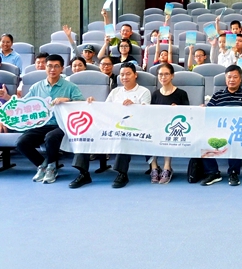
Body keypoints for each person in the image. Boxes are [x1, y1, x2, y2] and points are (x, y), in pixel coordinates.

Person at [0, 55, 83, 184]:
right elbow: (23, 106)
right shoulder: (36, 87)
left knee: (51, 137)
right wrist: (7, 97)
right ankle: (44, 165)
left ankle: (51, 168)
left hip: (61, 125)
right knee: (21, 143)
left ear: (62, 68)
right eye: (49, 66)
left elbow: (82, 105)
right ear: (45, 67)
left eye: (56, 66)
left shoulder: (71, 87)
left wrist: (68, 100)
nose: (52, 69)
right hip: (41, 125)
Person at [69, 62, 151, 189]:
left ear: (135, 75)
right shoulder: (115, 91)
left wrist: (135, 106)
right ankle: (83, 173)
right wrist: (94, 103)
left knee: (124, 135)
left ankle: (122, 174)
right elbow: (105, 110)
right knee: (85, 133)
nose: (124, 77)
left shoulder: (144, 92)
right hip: (111, 124)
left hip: (133, 127)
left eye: (128, 74)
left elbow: (146, 113)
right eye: (122, 75)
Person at [200, 65, 242, 186]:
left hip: (239, 129)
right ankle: (213, 173)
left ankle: (233, 172)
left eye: (235, 77)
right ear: (225, 79)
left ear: (240, 79)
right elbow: (208, 112)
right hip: (219, 128)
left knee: (235, 139)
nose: (232, 80)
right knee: (203, 139)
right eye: (229, 77)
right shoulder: (218, 95)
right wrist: (203, 108)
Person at [148, 63, 190, 184]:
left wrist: (178, 109)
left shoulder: (181, 93)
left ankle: (167, 167)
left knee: (167, 135)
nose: (163, 77)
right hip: (157, 126)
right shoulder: (155, 94)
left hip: (174, 128)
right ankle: (154, 167)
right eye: (160, 74)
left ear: (172, 76)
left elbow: (187, 113)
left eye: (166, 74)